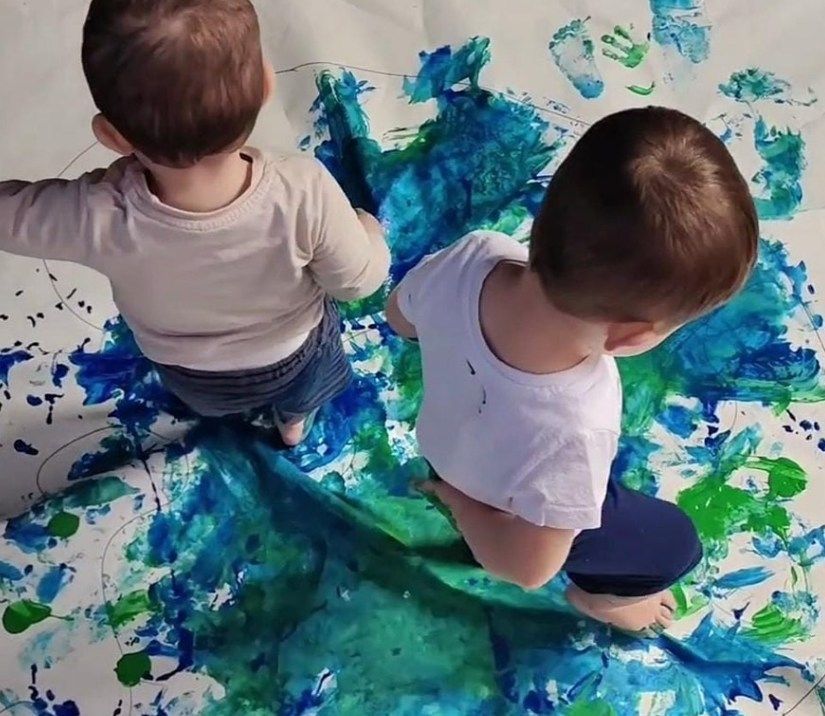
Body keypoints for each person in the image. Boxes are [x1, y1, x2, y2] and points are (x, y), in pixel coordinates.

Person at [386, 107, 758, 631]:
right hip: (491, 502)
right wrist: (467, 508)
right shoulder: (581, 420)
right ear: (632, 337)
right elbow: (528, 567)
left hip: (444, 449)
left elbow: (399, 315)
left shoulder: (476, 254)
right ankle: (604, 601)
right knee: (675, 542)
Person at [0, 0, 389, 446]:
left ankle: (248, 414)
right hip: (297, 356)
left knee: (215, 401)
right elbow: (358, 282)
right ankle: (293, 424)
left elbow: (11, 217)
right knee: (305, 391)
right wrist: (368, 231)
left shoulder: (94, 213)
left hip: (195, 378)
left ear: (111, 136)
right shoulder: (302, 189)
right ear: (267, 85)